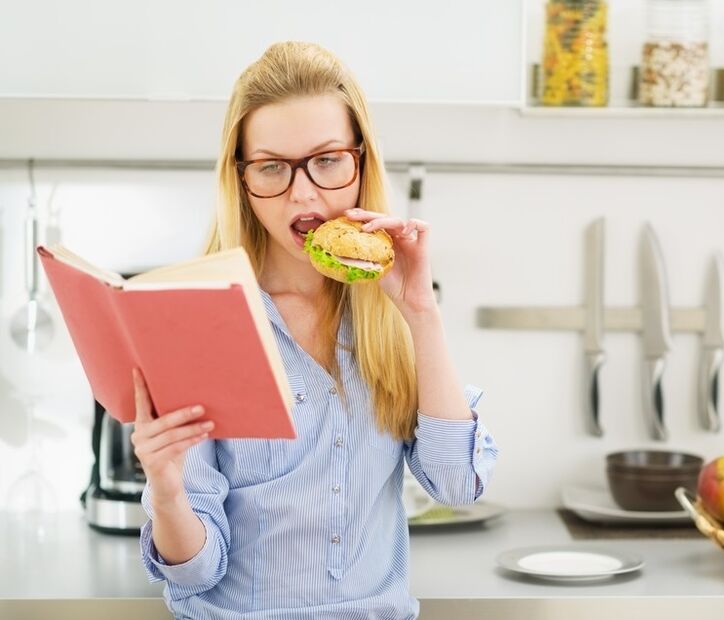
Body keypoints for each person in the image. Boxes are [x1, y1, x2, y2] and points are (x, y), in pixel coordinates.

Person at [131, 41, 498, 620]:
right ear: (242, 180)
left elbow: (457, 485)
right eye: (272, 167)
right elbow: (198, 572)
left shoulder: (389, 312)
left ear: (360, 162)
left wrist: (421, 315)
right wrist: (167, 491)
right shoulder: (202, 322)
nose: (304, 193)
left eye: (327, 160)